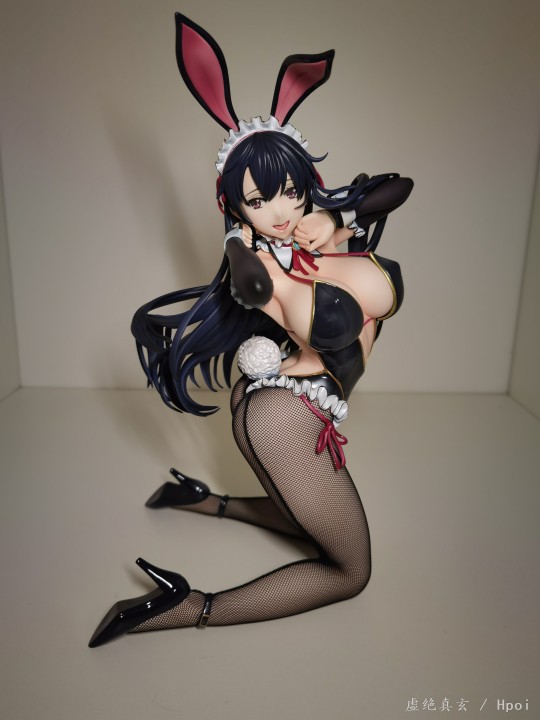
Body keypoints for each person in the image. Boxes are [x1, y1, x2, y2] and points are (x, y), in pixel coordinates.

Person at [89, 13, 413, 648]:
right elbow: (262, 291)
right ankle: (189, 606)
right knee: (351, 571)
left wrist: (336, 212)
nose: (282, 211)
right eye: (259, 201)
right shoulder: (264, 266)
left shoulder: (320, 232)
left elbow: (398, 187)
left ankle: (204, 500)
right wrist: (246, 250)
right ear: (234, 207)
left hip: (275, 409)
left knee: (309, 516)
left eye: (290, 190)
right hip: (286, 419)